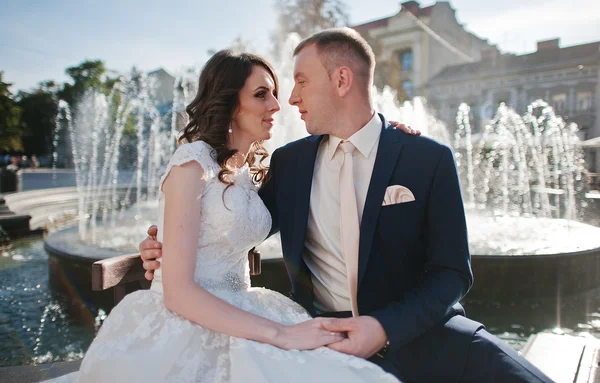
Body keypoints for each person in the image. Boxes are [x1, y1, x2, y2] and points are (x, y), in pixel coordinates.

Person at [141, 28, 553, 382]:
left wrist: (384, 328)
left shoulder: (426, 158)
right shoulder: (289, 163)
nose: (290, 101)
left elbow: (451, 273)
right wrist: (164, 247)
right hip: (316, 332)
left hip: (414, 329)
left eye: (300, 83)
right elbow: (231, 218)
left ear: (341, 80)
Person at [45, 50, 414, 383]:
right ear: (228, 102)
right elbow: (178, 293)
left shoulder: (249, 172)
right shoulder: (193, 164)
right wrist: (281, 334)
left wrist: (385, 136)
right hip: (189, 318)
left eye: (273, 92)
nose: (276, 104)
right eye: (260, 94)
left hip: (245, 305)